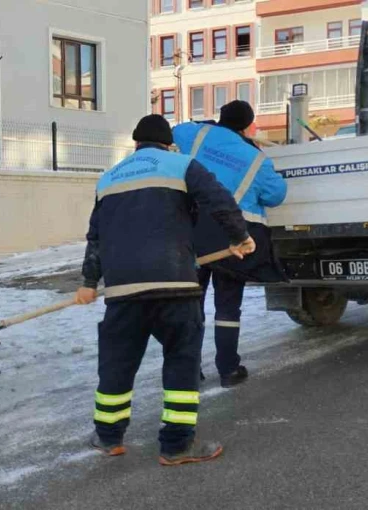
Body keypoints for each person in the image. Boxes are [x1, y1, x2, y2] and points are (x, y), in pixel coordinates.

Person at [75, 114, 255, 466]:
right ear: (167, 142)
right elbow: (219, 200)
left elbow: (95, 237)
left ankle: (109, 437)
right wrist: (240, 237)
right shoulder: (182, 165)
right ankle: (175, 446)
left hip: (124, 291)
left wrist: (87, 282)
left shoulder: (109, 178)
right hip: (175, 285)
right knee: (181, 363)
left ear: (136, 143)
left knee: (117, 363)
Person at [173, 101, 288, 388]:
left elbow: (174, 132)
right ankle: (228, 369)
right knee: (227, 306)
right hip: (232, 239)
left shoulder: (195, 134)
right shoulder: (256, 158)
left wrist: (207, 127)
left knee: (191, 304)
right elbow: (276, 195)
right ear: (248, 125)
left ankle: (189, 370)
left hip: (193, 233)